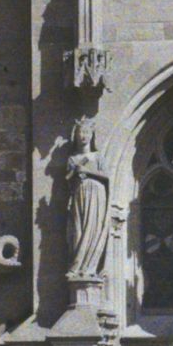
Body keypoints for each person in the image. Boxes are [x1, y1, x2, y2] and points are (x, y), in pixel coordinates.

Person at [65, 115, 110, 281]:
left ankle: (90, 268)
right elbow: (67, 178)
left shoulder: (97, 157)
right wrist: (75, 171)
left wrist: (87, 171)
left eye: (86, 132)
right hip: (79, 194)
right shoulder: (72, 158)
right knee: (78, 232)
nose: (83, 135)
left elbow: (106, 176)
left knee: (93, 230)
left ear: (92, 135)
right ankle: (76, 267)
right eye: (80, 132)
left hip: (97, 195)